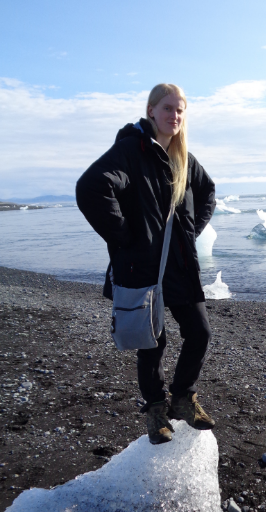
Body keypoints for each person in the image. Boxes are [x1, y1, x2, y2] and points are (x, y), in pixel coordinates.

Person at [76, 83, 216, 445]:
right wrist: (125, 237)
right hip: (143, 268)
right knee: (152, 342)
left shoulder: (183, 156)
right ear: (151, 110)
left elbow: (207, 192)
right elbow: (92, 187)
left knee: (200, 332)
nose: (175, 116)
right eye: (168, 108)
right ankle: (156, 412)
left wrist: (190, 232)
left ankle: (183, 397)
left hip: (179, 265)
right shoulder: (130, 150)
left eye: (180, 110)